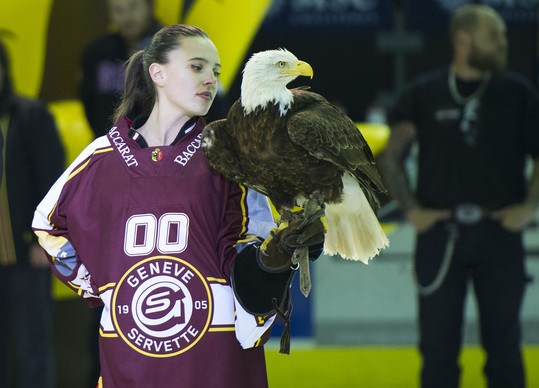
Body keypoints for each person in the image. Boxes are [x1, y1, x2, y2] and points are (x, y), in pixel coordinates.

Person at [33, 24, 324, 387]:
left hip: (216, 362)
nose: (210, 79)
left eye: (216, 71)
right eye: (196, 66)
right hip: (128, 359)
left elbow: (255, 254)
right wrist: (98, 286)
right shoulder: (99, 159)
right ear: (158, 72)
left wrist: (272, 263)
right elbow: (47, 224)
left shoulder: (228, 154)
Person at [377, 5, 539, 388]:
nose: (503, 42)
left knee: (505, 351)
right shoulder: (424, 93)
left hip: (499, 237)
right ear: (464, 40)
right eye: (495, 35)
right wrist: (411, 209)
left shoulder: (517, 94)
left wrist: (529, 206)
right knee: (438, 353)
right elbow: (391, 155)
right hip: (440, 236)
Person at [0, 38, 64, 388]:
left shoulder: (31, 116)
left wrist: (43, 239)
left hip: (27, 255)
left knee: (32, 350)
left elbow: (56, 183)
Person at [81, 0, 227, 139]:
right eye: (118, 10)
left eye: (133, 6)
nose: (127, 17)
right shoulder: (95, 54)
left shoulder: (181, 49)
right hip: (112, 148)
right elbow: (89, 104)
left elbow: (213, 106)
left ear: (150, 6)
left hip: (173, 150)